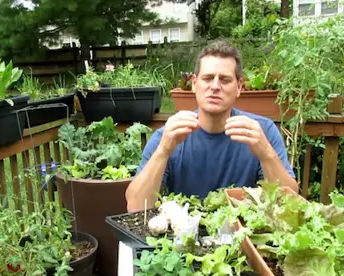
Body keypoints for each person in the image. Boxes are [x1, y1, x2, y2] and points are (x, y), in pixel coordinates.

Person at [125, 40, 298, 212]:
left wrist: (266, 153)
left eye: (225, 80)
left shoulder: (262, 131)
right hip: (181, 236)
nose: (215, 86)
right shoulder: (169, 134)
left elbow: (290, 204)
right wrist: (163, 151)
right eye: (207, 78)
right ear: (194, 83)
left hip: (243, 234)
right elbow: (136, 207)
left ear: (239, 87)